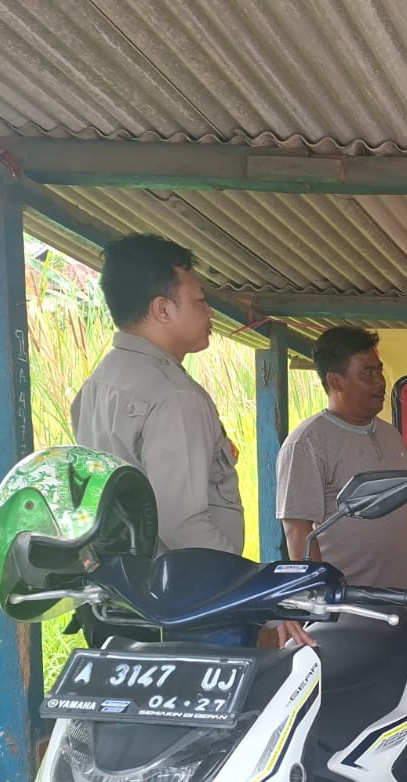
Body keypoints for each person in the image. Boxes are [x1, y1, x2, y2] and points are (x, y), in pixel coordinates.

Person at [71, 233, 308, 647]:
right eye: (199, 301)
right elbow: (182, 523)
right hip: (183, 607)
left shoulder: (99, 383)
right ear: (162, 309)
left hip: (115, 601)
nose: (209, 311)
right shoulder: (174, 394)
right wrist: (253, 598)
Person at [277, 327, 407, 586]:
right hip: (344, 603)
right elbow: (297, 529)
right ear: (335, 381)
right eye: (368, 373)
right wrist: (321, 596)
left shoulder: (391, 435)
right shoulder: (306, 442)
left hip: (396, 601)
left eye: (380, 370)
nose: (380, 381)